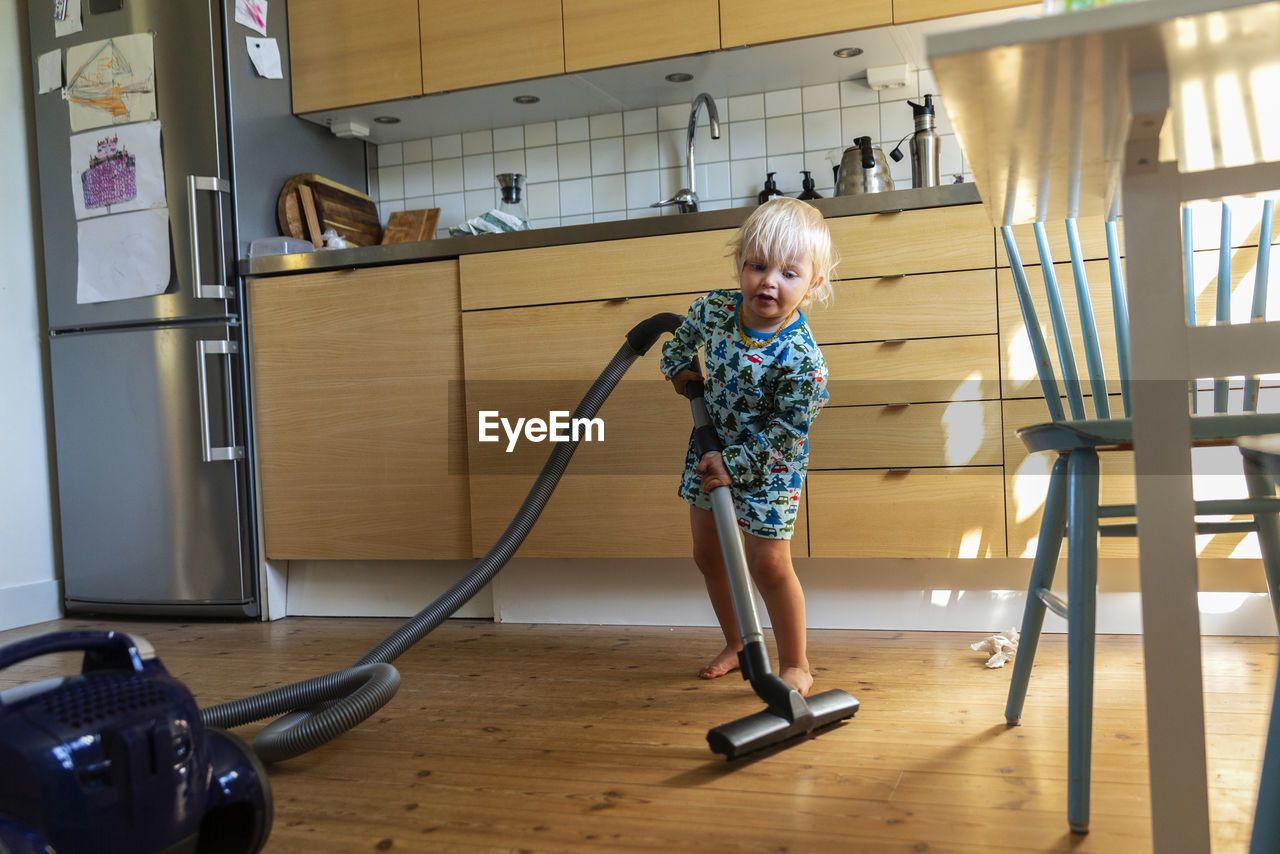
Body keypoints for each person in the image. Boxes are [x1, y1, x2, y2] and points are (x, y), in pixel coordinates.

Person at [660, 196, 836, 697]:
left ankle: (796, 663)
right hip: (708, 450)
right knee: (709, 555)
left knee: (768, 564)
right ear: (740, 264)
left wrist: (735, 463)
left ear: (813, 283)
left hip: (768, 467)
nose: (769, 282)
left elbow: (788, 432)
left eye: (789, 273)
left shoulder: (802, 359)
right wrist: (678, 367)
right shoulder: (716, 309)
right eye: (757, 266)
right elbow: (680, 337)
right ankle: (738, 643)